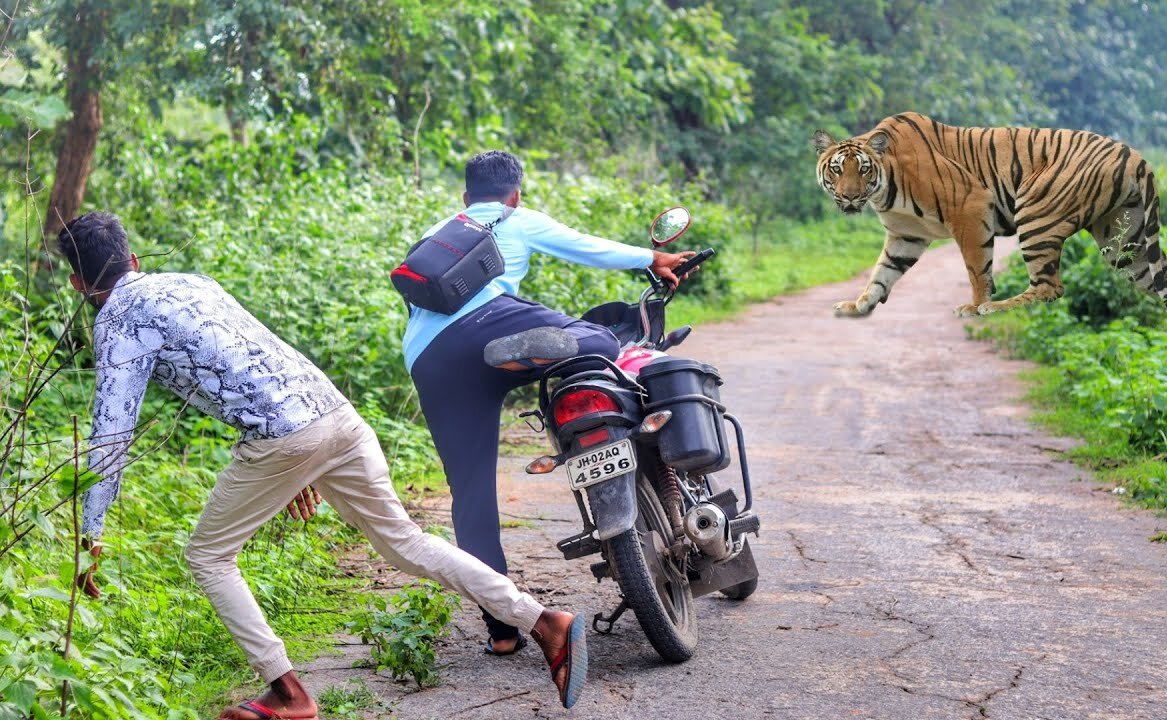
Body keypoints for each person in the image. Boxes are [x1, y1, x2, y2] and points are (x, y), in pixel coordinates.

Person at [59, 212, 590, 718]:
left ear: (81, 284)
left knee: (208, 556)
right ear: (131, 256)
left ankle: (286, 691)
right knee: (407, 542)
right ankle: (544, 620)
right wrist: (298, 464)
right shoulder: (190, 283)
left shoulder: (119, 319)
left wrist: (91, 529)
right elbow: (252, 357)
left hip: (287, 436)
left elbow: (112, 431)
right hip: (333, 413)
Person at [404, 150, 694, 654]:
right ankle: (530, 360)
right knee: (602, 343)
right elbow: (585, 247)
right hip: (494, 324)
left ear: (464, 197)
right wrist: (655, 258)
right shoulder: (514, 218)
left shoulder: (437, 232)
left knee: (470, 496)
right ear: (514, 194)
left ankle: (501, 632)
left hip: (430, 359)